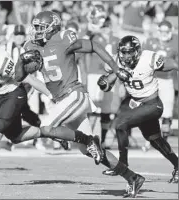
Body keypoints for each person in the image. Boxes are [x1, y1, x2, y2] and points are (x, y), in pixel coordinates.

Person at [0, 29, 103, 187]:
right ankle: (50, 133)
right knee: (15, 137)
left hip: (13, 95)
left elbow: (28, 78)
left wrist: (51, 95)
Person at [24, 11, 146, 198]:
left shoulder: (63, 38)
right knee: (88, 151)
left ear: (53, 28)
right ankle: (133, 177)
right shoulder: (31, 46)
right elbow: (23, 75)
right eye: (36, 27)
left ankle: (89, 140)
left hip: (73, 95)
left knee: (48, 129)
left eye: (41, 27)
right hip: (60, 101)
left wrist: (116, 69)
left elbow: (94, 46)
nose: (37, 31)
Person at [98, 35, 178, 185]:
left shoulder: (148, 58)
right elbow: (106, 83)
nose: (126, 56)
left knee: (121, 124)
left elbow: (172, 63)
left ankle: (122, 165)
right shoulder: (117, 61)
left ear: (138, 51)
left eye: (130, 52)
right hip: (137, 104)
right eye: (124, 52)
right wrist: (104, 82)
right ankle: (178, 165)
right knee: (155, 140)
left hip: (153, 105)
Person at [143, 20, 178, 143]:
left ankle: (165, 140)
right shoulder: (150, 42)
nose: (164, 34)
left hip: (167, 80)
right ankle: (151, 139)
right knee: (150, 110)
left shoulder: (175, 42)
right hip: (152, 80)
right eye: (161, 31)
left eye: (166, 31)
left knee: (167, 110)